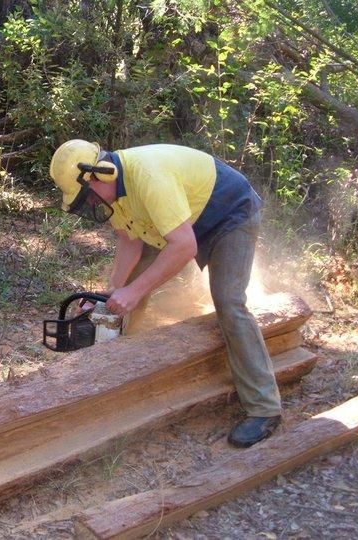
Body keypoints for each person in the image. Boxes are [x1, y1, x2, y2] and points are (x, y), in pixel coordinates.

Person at [49, 139, 282, 448]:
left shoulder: (148, 178)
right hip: (178, 224)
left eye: (87, 198)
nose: (90, 205)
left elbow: (184, 246)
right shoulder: (114, 191)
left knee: (229, 301)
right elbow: (130, 241)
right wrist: (111, 292)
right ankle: (115, 368)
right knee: (125, 295)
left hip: (229, 214)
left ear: (98, 175)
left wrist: (133, 291)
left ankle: (265, 408)